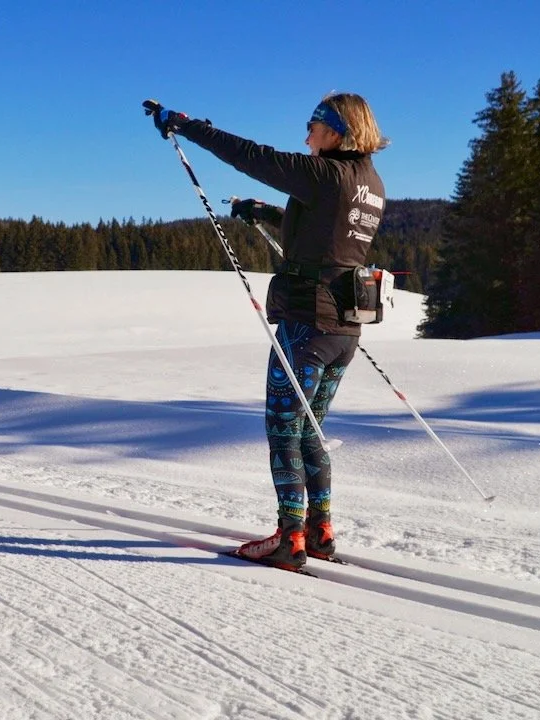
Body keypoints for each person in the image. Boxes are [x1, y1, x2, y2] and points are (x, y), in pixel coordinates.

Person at [147, 94, 389, 570]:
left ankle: (289, 538)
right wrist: (266, 213)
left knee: (284, 430)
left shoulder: (325, 173)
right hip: (344, 330)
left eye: (313, 128)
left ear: (336, 130)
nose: (307, 138)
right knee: (310, 429)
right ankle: (319, 531)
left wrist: (187, 125)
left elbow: (251, 156)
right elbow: (327, 234)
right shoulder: (370, 182)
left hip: (306, 325)